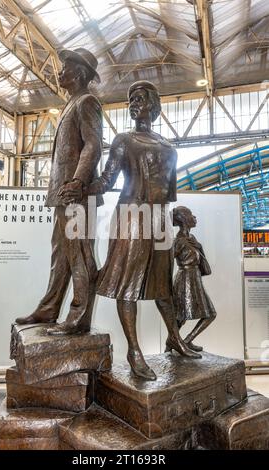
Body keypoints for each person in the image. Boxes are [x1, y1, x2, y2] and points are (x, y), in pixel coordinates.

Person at [75, 80, 200, 380]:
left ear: (154, 106)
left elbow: (169, 192)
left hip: (157, 218)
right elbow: (106, 180)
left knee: (162, 285)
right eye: (131, 98)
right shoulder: (123, 141)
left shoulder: (170, 147)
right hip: (131, 215)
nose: (134, 102)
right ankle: (134, 351)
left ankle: (175, 337)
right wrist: (80, 186)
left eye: (141, 98)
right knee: (127, 284)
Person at [16, 48, 103, 336]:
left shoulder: (87, 102)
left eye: (65, 68)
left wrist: (78, 181)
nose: (60, 72)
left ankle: (79, 317)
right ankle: (50, 308)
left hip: (76, 193)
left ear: (79, 74)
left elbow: (93, 144)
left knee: (79, 254)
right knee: (61, 254)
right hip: (65, 194)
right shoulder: (72, 103)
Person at [172, 206, 217, 351]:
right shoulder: (179, 241)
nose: (194, 218)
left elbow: (201, 261)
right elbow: (167, 261)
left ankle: (184, 341)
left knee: (209, 314)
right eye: (191, 215)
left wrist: (200, 247)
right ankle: (174, 344)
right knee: (181, 317)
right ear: (184, 219)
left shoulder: (192, 239)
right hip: (185, 280)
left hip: (195, 278)